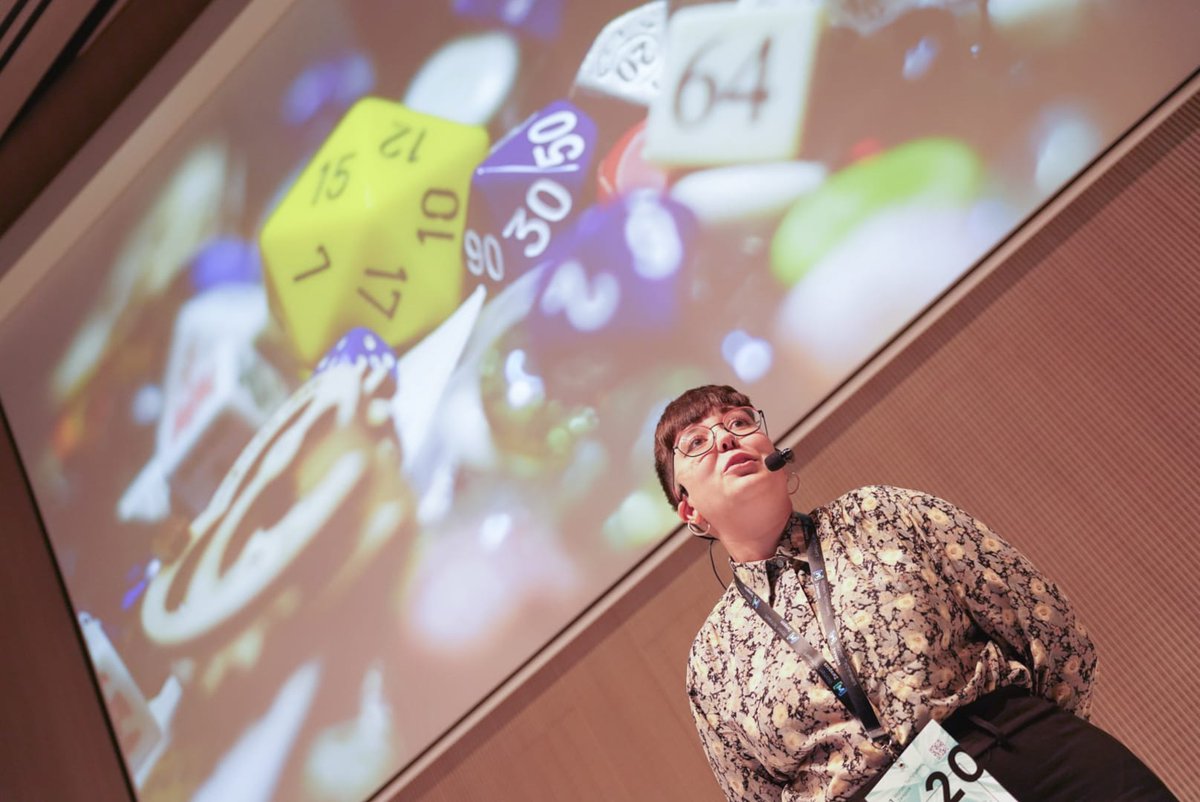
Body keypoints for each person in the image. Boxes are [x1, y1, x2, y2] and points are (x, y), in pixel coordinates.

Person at [653, 384, 1176, 802]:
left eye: (740, 422)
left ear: (776, 454)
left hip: (1026, 755)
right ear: (689, 510)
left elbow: (1046, 627)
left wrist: (1029, 744)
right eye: (695, 442)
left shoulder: (882, 513)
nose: (725, 438)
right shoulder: (711, 660)